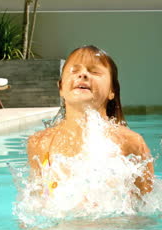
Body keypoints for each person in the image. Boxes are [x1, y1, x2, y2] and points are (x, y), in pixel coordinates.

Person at [27, 45, 154, 201]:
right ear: (60, 87)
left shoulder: (131, 143)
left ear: (111, 91)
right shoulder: (40, 143)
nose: (83, 75)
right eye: (74, 71)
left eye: (94, 71)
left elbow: (145, 209)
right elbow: (36, 204)